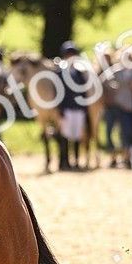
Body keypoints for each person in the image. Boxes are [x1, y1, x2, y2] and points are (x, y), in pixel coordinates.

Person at [56, 41, 88, 171]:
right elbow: (58, 93)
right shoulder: (60, 73)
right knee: (65, 136)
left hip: (78, 108)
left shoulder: (80, 73)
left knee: (76, 136)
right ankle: (64, 161)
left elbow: (84, 92)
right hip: (67, 108)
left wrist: (84, 108)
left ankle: (75, 161)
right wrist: (60, 109)